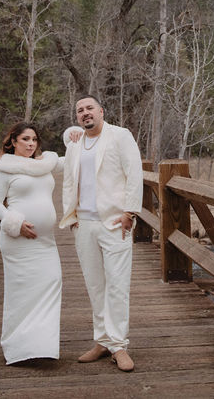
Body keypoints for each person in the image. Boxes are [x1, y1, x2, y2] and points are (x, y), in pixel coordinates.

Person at [59, 95, 143, 372]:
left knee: (117, 285)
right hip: (84, 224)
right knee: (95, 285)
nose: (85, 113)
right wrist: (71, 217)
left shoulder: (120, 136)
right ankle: (102, 341)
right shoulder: (75, 144)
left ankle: (119, 345)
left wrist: (130, 212)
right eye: (80, 110)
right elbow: (69, 182)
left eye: (89, 108)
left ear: (101, 111)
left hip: (115, 223)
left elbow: (134, 174)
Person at [0, 121, 64, 364]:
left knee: (53, 281)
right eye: (25, 139)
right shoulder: (4, 168)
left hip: (45, 241)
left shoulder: (44, 164)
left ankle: (42, 346)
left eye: (34, 140)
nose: (31, 144)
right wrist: (15, 222)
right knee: (21, 294)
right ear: (12, 142)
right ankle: (20, 349)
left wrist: (74, 137)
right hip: (18, 241)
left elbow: (75, 160)